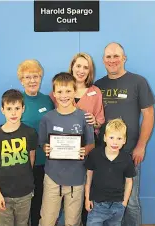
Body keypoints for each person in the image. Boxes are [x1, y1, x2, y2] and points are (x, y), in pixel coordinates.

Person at [94, 42, 155, 226]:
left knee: (131, 202)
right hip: (103, 155)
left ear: (124, 58)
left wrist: (141, 145)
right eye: (108, 57)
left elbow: (149, 115)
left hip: (129, 154)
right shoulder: (98, 85)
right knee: (104, 201)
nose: (112, 60)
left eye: (116, 56)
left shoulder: (138, 82)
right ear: (103, 60)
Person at [39, 72, 95, 226]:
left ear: (75, 91)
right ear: (54, 94)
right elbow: (42, 142)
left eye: (68, 91)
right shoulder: (47, 118)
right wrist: (45, 147)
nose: (64, 96)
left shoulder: (85, 117)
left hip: (76, 178)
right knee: (47, 220)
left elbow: (91, 143)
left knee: (72, 221)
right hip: (52, 176)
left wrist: (85, 150)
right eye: (60, 92)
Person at [0, 89, 38, 226]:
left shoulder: (30, 133)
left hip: (25, 193)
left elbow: (31, 158)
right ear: (2, 110)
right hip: (4, 193)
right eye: (9, 108)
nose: (13, 113)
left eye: (17, 108)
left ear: (23, 109)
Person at [17, 59, 54, 226]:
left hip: (45, 161)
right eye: (27, 77)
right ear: (21, 80)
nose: (32, 80)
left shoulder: (47, 100)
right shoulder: (17, 101)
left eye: (36, 76)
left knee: (40, 201)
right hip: (23, 162)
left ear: (41, 77)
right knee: (24, 203)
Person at [85, 118, 136, 226]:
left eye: (119, 138)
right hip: (97, 205)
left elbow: (129, 181)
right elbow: (89, 177)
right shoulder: (95, 155)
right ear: (105, 138)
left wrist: (124, 203)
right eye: (111, 137)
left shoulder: (126, 159)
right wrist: (87, 197)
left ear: (124, 140)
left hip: (117, 205)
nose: (115, 142)